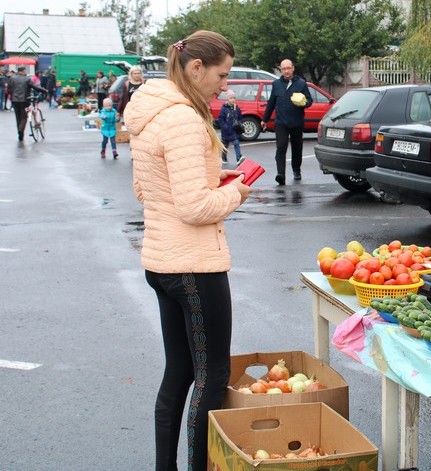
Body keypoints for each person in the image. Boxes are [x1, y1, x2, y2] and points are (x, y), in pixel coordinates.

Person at [123, 30, 250, 471]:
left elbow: (146, 188)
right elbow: (195, 207)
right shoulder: (182, 120)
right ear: (196, 68)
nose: (225, 85)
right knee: (212, 377)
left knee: (178, 373)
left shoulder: (151, 113)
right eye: (222, 74)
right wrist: (237, 193)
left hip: (161, 260)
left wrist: (214, 177)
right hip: (195, 266)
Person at [260, 58, 312, 185]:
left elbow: (309, 101)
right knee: (281, 147)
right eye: (284, 69)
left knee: (297, 148)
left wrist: (303, 103)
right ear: (281, 70)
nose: (286, 71)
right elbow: (271, 103)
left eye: (288, 68)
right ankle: (281, 175)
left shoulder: (301, 83)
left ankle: (296, 170)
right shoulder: (276, 84)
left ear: (293, 68)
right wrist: (264, 119)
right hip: (281, 122)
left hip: (296, 122)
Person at [7, 65, 47, 141]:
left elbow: (9, 90)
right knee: (24, 117)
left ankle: (20, 134)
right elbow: (35, 87)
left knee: (18, 117)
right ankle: (21, 130)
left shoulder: (12, 78)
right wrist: (44, 91)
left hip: (15, 100)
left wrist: (13, 95)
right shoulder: (26, 79)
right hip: (24, 100)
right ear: (23, 71)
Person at [218, 90, 243, 163]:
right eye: (231, 98)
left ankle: (238, 158)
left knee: (236, 143)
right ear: (228, 99)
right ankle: (224, 157)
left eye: (234, 98)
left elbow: (240, 117)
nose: (233, 100)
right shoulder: (224, 109)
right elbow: (221, 119)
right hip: (226, 131)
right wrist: (225, 127)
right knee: (225, 145)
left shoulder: (237, 108)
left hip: (234, 130)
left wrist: (239, 124)